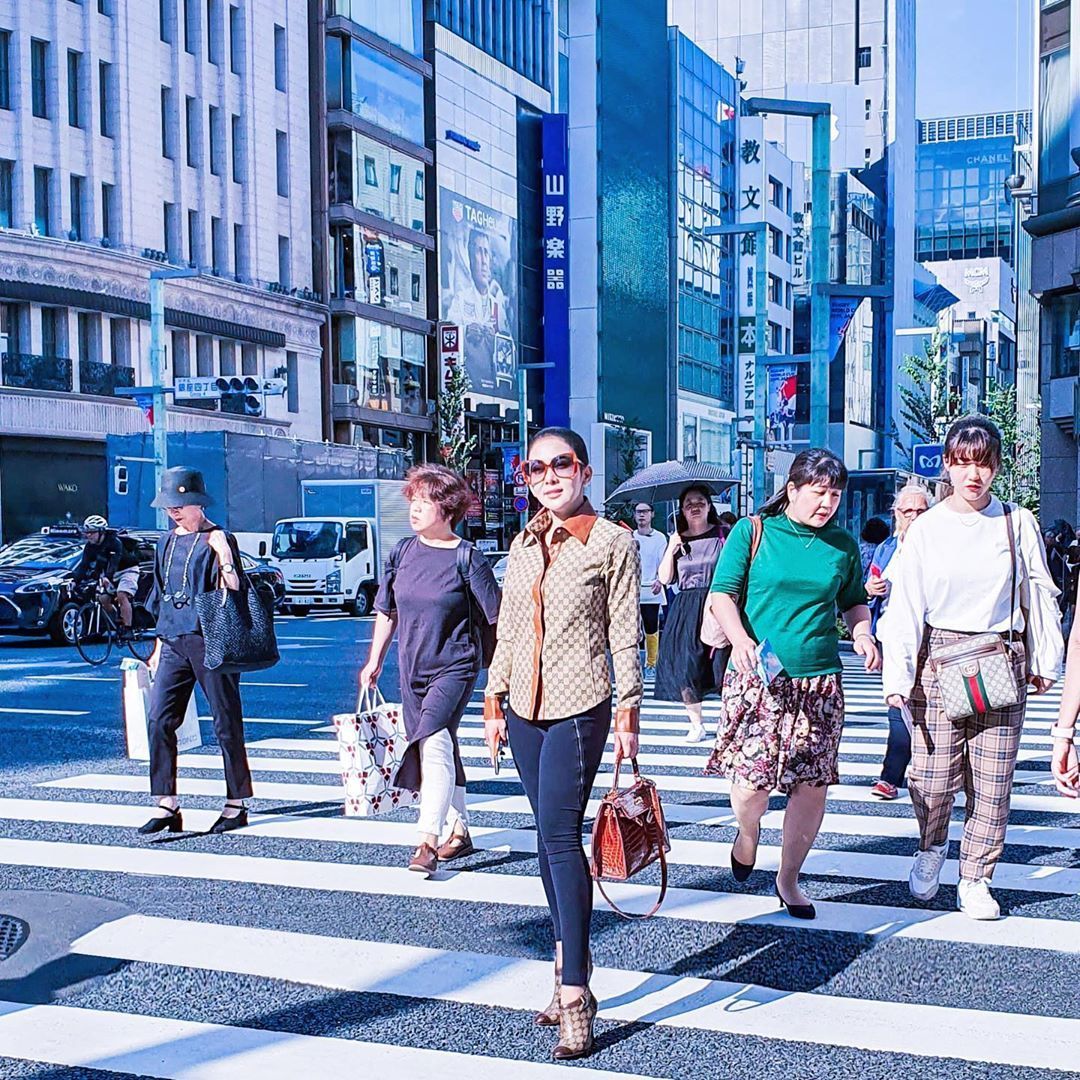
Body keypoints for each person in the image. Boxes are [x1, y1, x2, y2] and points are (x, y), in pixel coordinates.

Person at [483, 426, 641, 1061]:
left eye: (562, 465)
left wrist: (629, 711)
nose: (550, 476)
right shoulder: (521, 544)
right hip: (522, 705)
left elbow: (626, 633)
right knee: (546, 842)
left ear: (585, 471)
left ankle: (575, 992)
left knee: (557, 835)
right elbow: (510, 632)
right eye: (537, 468)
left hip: (583, 702)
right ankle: (562, 964)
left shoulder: (613, 542)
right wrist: (493, 702)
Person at [883, 416, 1062, 920]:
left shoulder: (1016, 521)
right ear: (947, 466)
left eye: (982, 463)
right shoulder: (926, 529)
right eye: (962, 463)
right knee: (934, 775)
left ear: (996, 467)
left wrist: (1045, 659)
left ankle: (976, 876)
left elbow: (1039, 593)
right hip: (938, 657)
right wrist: (896, 677)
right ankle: (932, 843)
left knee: (993, 777)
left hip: (1000, 656)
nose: (972, 474)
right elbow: (905, 606)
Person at [704, 448, 878, 920]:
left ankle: (789, 878)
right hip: (759, 678)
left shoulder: (842, 545)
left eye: (835, 495)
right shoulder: (753, 531)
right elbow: (722, 595)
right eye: (819, 492)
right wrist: (739, 641)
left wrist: (863, 633)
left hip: (819, 681)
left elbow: (853, 602)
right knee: (750, 788)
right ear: (794, 489)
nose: (827, 503)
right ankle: (747, 833)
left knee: (811, 785)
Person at [360, 464, 500, 876]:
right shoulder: (402, 551)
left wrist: (500, 681)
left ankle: (427, 840)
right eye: (413, 501)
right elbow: (388, 609)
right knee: (443, 744)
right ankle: (461, 828)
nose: (415, 509)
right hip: (412, 665)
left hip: (455, 665)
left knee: (433, 741)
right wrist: (375, 659)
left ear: (448, 508)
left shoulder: (467, 558)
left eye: (425, 502)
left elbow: (497, 618)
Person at [141, 467, 252, 836]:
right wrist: (157, 644)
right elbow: (160, 595)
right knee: (158, 719)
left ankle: (236, 804)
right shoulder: (165, 542)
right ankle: (166, 803)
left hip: (211, 639)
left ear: (198, 503)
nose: (174, 511)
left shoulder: (218, 537)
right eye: (170, 505)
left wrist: (224, 556)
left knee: (225, 721)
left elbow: (233, 590)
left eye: (181, 504)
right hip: (173, 640)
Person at [866, 484, 931, 800]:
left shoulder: (941, 547)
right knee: (898, 703)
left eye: (921, 511)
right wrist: (871, 588)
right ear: (896, 514)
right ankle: (890, 776)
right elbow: (871, 585)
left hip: (933, 636)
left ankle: (937, 771)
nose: (915, 517)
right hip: (892, 635)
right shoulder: (887, 548)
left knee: (933, 708)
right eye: (908, 511)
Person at [654, 485, 726, 744]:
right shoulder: (677, 540)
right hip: (685, 607)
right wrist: (672, 548)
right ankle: (697, 724)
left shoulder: (723, 535)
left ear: (709, 505)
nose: (694, 506)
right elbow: (665, 578)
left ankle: (728, 720)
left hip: (718, 603)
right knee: (686, 665)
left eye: (700, 501)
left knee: (722, 665)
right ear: (681, 510)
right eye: (688, 503)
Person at [72, 514, 140, 635]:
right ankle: (118, 622)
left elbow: (114, 561)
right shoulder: (90, 547)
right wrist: (75, 581)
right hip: (109, 574)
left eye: (92, 532)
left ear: (101, 532)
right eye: (87, 532)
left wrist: (107, 577)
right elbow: (84, 565)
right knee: (103, 599)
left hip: (127, 570)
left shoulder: (114, 542)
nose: (88, 535)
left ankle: (128, 628)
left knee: (121, 594)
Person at [632, 502, 667, 676]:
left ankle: (651, 664)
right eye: (638, 512)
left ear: (652, 514)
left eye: (645, 511)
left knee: (651, 628)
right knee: (632, 629)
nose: (642, 515)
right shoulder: (629, 537)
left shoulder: (660, 538)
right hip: (632, 590)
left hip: (652, 588)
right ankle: (634, 664)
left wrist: (661, 580)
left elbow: (664, 562)